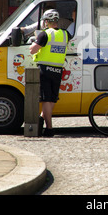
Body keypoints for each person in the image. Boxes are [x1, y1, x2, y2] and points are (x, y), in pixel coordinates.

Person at [29, 9, 69, 137]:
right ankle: (42, 118)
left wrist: (33, 42)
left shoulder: (44, 34)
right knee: (52, 99)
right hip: (58, 70)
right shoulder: (65, 34)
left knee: (46, 99)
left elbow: (32, 50)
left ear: (46, 21)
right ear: (57, 21)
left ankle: (49, 129)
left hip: (45, 70)